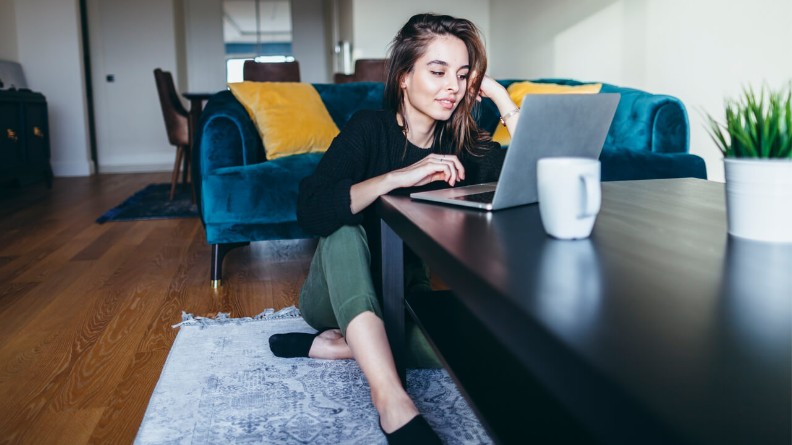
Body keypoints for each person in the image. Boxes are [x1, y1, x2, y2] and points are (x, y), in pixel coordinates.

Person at [268, 13, 521, 444]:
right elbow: (311, 209)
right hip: (333, 293)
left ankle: (338, 346)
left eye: (462, 75)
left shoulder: (460, 143)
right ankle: (392, 402)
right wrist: (394, 179)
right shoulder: (369, 129)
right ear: (403, 76)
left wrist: (499, 96)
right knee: (344, 229)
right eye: (438, 71)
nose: (452, 87)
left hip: (404, 297)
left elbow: (530, 176)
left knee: (480, 347)